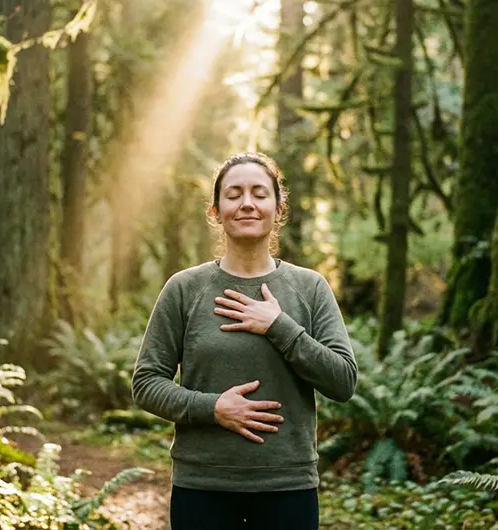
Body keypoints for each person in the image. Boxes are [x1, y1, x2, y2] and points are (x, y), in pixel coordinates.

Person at [131, 151, 358, 529]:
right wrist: (213, 408)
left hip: (288, 486)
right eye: (234, 194)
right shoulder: (185, 289)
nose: (247, 204)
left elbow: (343, 380)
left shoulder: (310, 288)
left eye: (259, 193)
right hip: (202, 485)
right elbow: (146, 383)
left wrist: (279, 326)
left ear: (278, 207)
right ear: (216, 211)